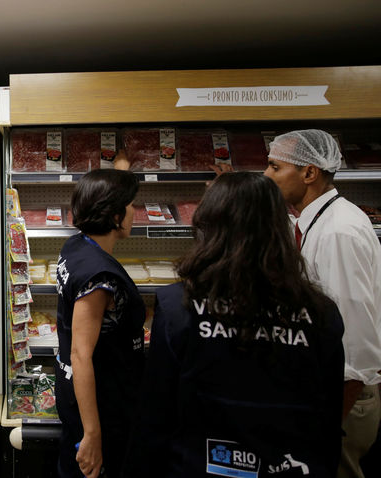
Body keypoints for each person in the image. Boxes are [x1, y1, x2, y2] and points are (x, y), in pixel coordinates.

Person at [122, 172, 345, 477]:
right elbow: (329, 415)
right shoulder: (322, 313)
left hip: (198, 466)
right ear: (280, 227)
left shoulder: (179, 307)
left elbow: (155, 414)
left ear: (209, 225)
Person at [264, 129, 381, 478]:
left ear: (309, 173)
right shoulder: (313, 219)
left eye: (274, 167)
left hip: (344, 397)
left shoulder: (338, 232)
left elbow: (355, 341)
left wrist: (331, 420)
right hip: (325, 390)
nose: (266, 176)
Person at [54, 169, 146, 478]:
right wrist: (93, 435)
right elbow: (82, 355)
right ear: (115, 214)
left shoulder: (76, 246)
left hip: (77, 394)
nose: (136, 211)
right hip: (102, 405)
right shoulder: (100, 277)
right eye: (132, 204)